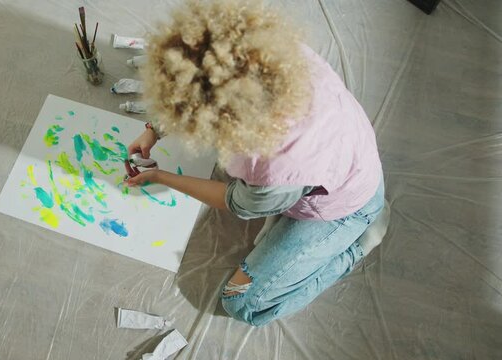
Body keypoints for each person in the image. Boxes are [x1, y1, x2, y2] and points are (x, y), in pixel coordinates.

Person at [125, 0, 390, 327]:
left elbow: (233, 200)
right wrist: (155, 129)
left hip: (348, 207)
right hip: (343, 158)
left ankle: (357, 246)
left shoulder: (276, 166)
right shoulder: (274, 54)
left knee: (241, 301)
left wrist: (162, 177)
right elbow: (202, 74)